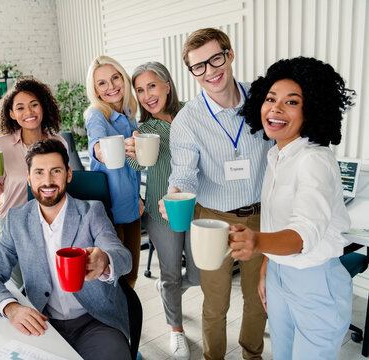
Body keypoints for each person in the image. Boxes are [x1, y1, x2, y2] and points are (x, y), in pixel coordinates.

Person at [158, 28, 272, 360]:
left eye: (215, 59)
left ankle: (253, 355)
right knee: (216, 301)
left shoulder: (262, 98)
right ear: (191, 72)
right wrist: (176, 193)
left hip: (262, 215)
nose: (210, 71)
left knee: (257, 298)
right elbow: (183, 173)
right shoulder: (188, 120)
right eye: (199, 66)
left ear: (229, 54)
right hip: (213, 220)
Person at [230, 57, 355, 359]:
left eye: (291, 102)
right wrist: (267, 266)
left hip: (316, 282)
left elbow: (304, 234)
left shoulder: (314, 159)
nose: (275, 108)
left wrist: (258, 243)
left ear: (310, 110)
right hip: (279, 275)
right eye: (271, 99)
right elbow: (278, 223)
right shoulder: (277, 155)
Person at [0, 139, 132, 360]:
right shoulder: (17, 219)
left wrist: (105, 260)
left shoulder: (92, 212)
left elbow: (123, 258)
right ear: (29, 178)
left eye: (55, 171)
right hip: (43, 322)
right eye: (39, 173)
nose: (48, 181)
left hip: (95, 321)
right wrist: (11, 308)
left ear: (68, 174)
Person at [124, 61, 198, 359]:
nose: (146, 95)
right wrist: (131, 152)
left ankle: (171, 292)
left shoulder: (193, 115)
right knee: (169, 273)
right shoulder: (143, 129)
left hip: (196, 207)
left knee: (199, 273)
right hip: (160, 209)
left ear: (168, 84)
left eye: (152, 86)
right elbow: (135, 165)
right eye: (140, 90)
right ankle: (176, 330)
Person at [0, 77, 66, 287]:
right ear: (12, 114)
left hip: (50, 224)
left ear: (43, 106)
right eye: (20, 107)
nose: (29, 112)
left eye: (34, 104)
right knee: (20, 288)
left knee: (49, 286)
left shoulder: (57, 143)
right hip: (12, 226)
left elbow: (63, 185)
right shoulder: (1, 144)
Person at [85, 55, 141, 288]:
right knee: (113, 280)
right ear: (96, 90)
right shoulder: (96, 114)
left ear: (123, 79)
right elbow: (96, 145)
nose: (111, 86)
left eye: (115, 78)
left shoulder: (129, 115)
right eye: (102, 83)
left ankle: (131, 322)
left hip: (132, 205)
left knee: (131, 274)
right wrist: (103, 150)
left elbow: (134, 168)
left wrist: (139, 196)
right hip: (109, 211)